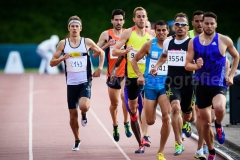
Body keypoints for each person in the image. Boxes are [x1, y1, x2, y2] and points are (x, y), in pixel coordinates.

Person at [185, 12, 239, 160]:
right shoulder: (194, 42)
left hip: (218, 82)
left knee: (220, 108)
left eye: (211, 23)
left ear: (216, 24)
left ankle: (220, 125)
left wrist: (231, 75)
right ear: (201, 24)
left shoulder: (223, 40)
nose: (208, 26)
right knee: (206, 124)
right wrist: (195, 65)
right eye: (206, 23)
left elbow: (236, 56)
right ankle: (211, 150)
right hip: (201, 84)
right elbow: (187, 65)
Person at [49, 15, 105, 151]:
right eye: (72, 26)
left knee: (83, 106)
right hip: (71, 83)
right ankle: (77, 139)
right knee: (73, 115)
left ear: (80, 28)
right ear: (69, 28)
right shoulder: (63, 44)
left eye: (76, 26)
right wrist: (62, 58)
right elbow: (51, 62)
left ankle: (84, 114)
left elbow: (101, 52)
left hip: (85, 80)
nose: (74, 28)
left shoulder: (87, 42)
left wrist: (100, 68)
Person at [151, 12, 195, 156]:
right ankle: (178, 142)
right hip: (172, 82)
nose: (180, 27)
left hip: (188, 83)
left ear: (188, 27)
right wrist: (156, 67)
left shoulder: (192, 43)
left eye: (183, 25)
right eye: (177, 24)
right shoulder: (168, 42)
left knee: (188, 115)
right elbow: (164, 56)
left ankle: (186, 122)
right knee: (175, 109)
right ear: (173, 27)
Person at [112, 6, 153, 153]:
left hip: (148, 77)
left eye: (144, 16)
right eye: (139, 16)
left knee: (147, 109)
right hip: (132, 77)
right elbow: (115, 50)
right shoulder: (129, 33)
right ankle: (140, 142)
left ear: (146, 18)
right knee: (133, 109)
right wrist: (125, 51)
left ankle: (146, 136)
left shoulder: (152, 35)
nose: (141, 19)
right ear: (134, 19)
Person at [131, 20, 171, 160]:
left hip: (166, 85)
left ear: (168, 31)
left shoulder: (172, 45)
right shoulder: (150, 44)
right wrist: (140, 75)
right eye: (158, 30)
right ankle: (147, 134)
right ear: (155, 31)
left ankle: (161, 151)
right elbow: (134, 60)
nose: (161, 33)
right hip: (150, 85)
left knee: (166, 116)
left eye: (163, 30)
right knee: (150, 121)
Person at [96, 9, 132, 142]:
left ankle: (126, 123)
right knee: (114, 104)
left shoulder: (128, 33)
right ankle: (115, 125)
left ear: (124, 21)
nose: (118, 22)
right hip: (112, 74)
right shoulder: (106, 34)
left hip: (126, 73)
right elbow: (95, 53)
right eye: (116, 19)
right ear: (112, 21)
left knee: (125, 98)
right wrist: (106, 45)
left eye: (121, 19)